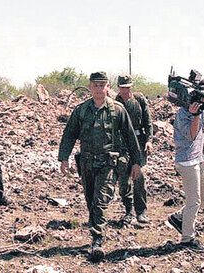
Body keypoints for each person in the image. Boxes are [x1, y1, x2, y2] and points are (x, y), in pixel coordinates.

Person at [58, 72, 143, 261]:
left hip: (107, 164)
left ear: (107, 87)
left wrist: (136, 162)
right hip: (87, 162)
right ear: (90, 87)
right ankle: (96, 226)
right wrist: (64, 158)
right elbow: (70, 134)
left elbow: (130, 136)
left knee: (100, 201)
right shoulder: (81, 110)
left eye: (102, 85)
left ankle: (97, 240)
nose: (98, 88)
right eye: (95, 85)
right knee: (90, 200)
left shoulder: (118, 110)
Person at [168, 78, 204, 253]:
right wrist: (195, 116)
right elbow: (191, 136)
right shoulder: (184, 113)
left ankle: (179, 217)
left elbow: (203, 136)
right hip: (187, 161)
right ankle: (187, 239)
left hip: (199, 159)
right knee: (194, 201)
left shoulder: (202, 112)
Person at [115, 74, 153, 224]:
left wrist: (149, 140)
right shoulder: (114, 103)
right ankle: (128, 211)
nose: (125, 91)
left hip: (138, 142)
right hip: (121, 144)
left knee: (139, 177)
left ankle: (141, 211)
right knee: (123, 179)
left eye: (128, 88)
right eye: (122, 88)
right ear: (118, 87)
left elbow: (147, 122)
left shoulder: (139, 100)